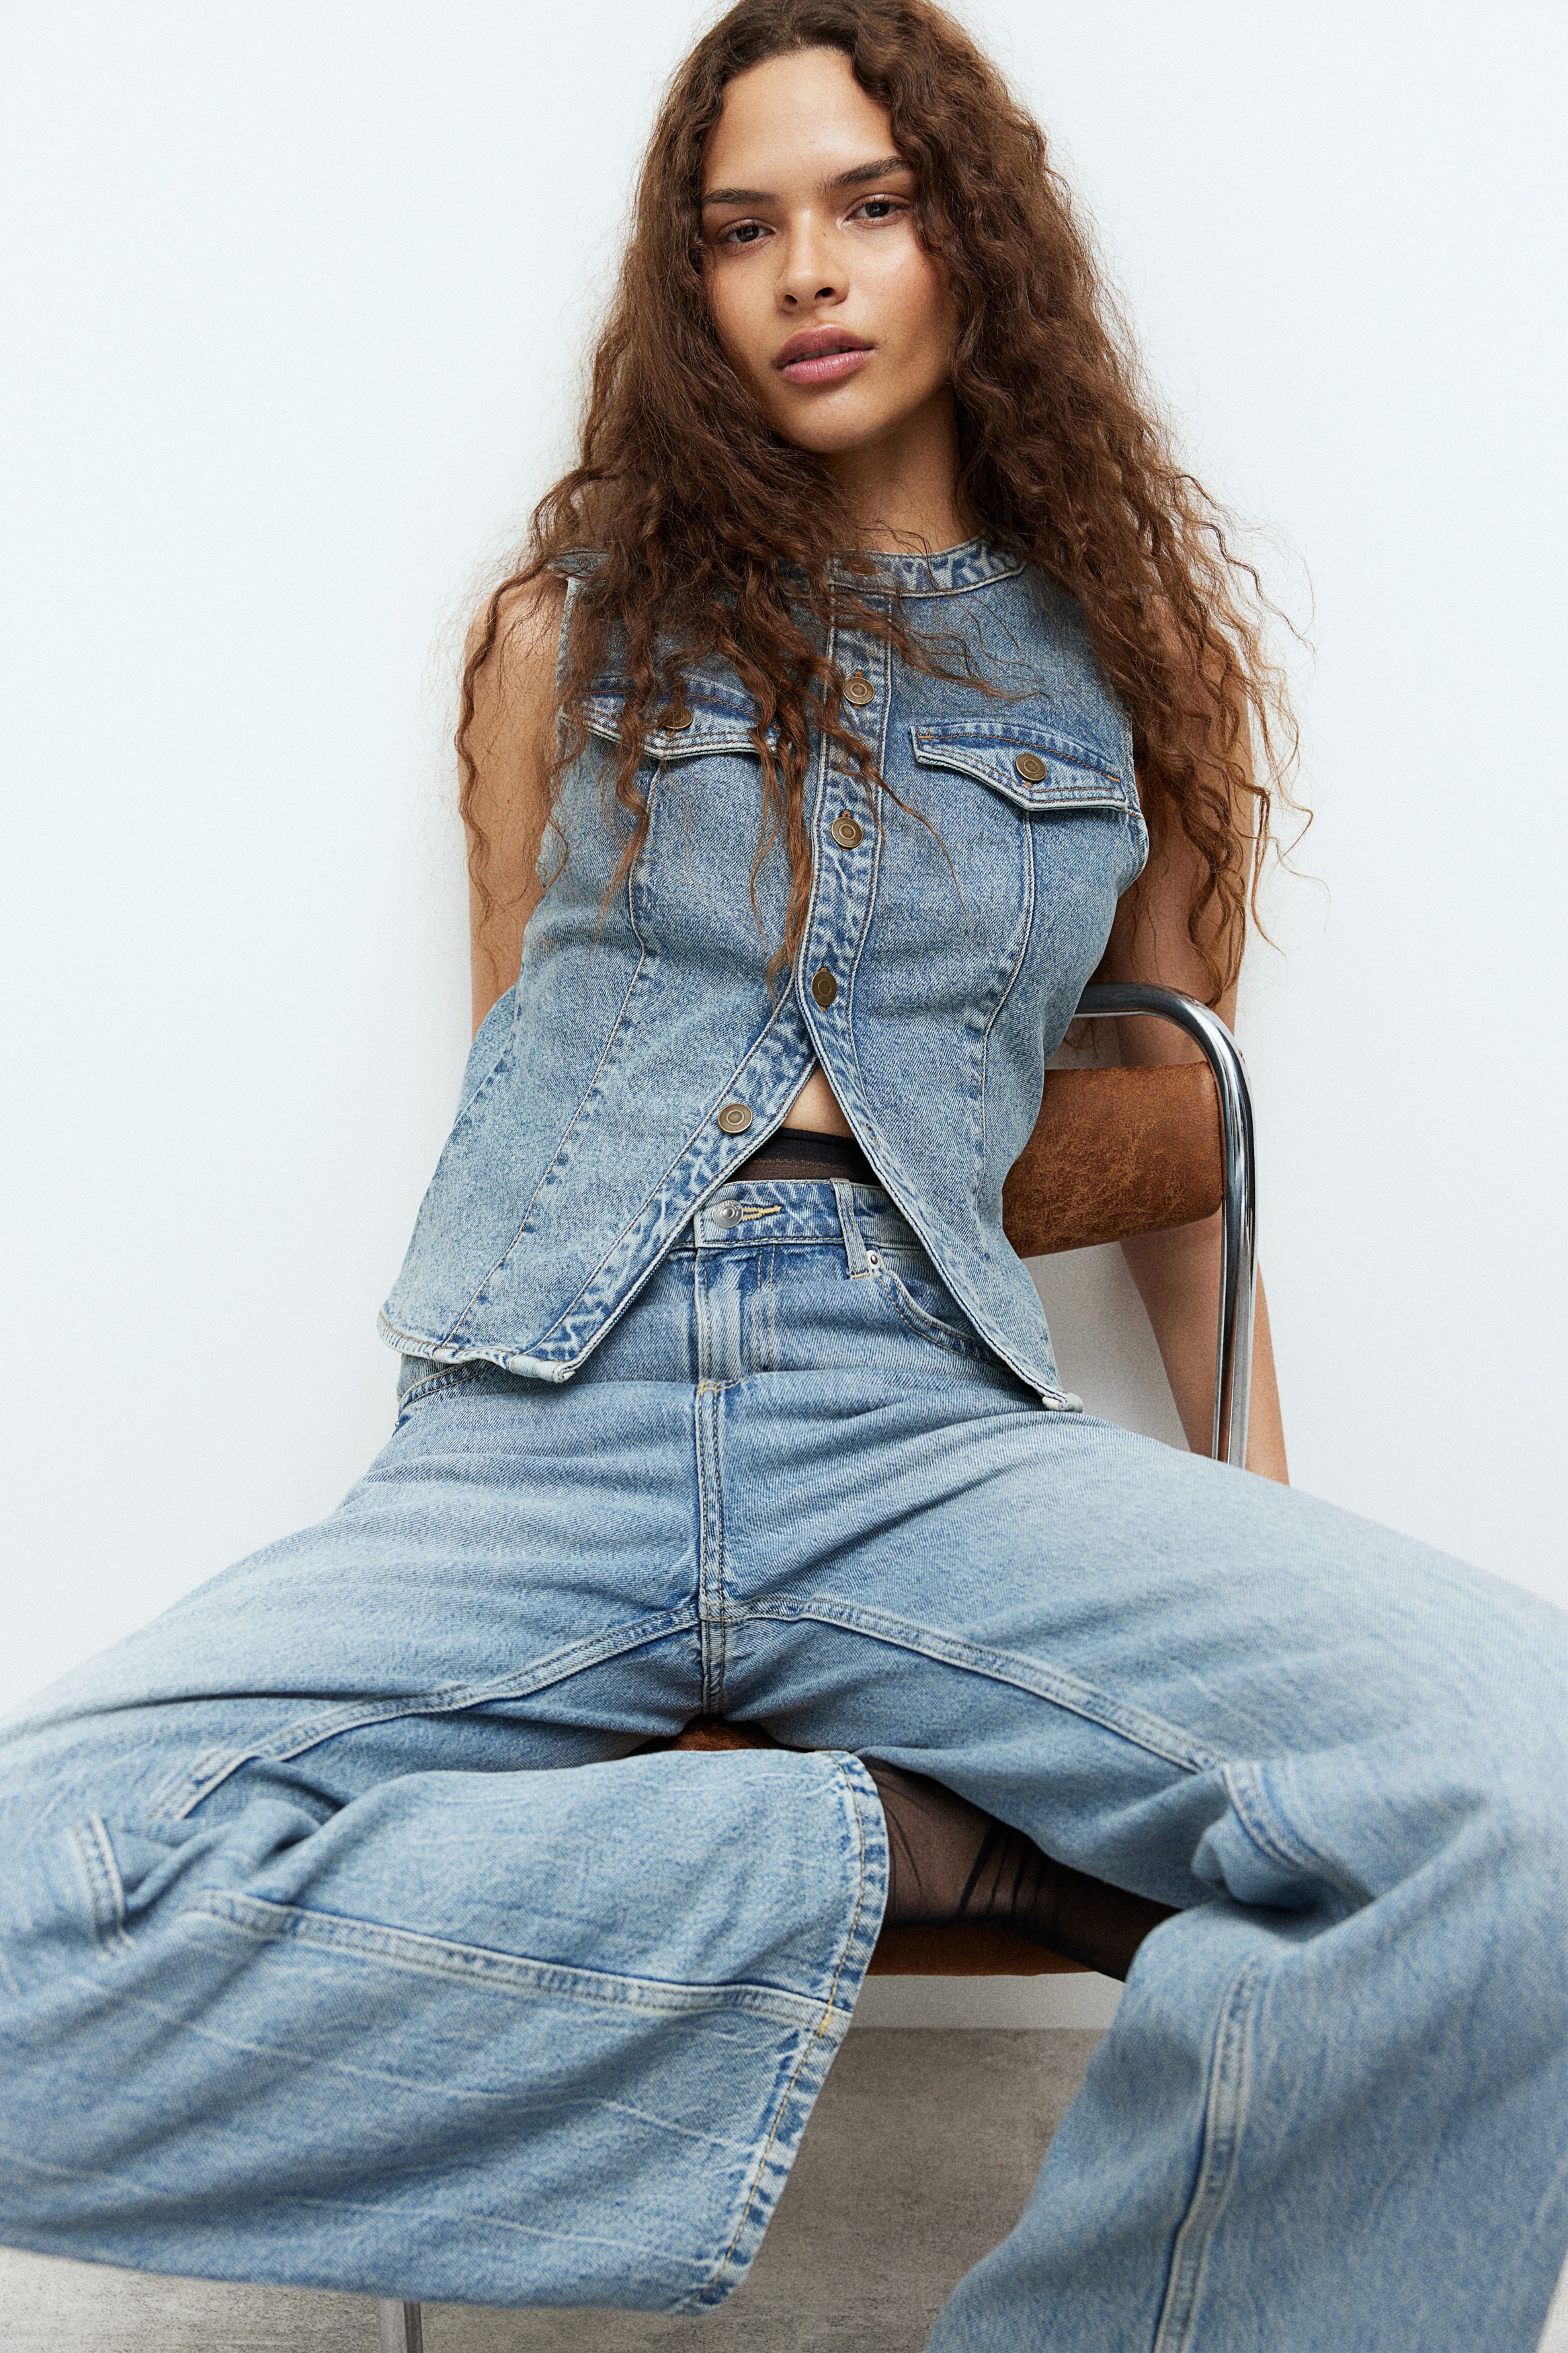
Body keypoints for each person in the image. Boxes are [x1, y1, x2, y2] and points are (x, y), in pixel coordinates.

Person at [1, 2, 1565, 2346]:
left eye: (871, 206)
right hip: (546, 1408)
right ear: (694, 288)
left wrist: (1262, 1557)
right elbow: (520, 1062)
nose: (807, 272)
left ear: (973, 245)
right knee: (35, 1890)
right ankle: (861, 1852)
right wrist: (827, 1844)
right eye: (742, 232)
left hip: (915, 1419)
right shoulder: (565, 628)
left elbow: (1181, 1143)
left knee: (1523, 1774)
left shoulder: (1117, 663)